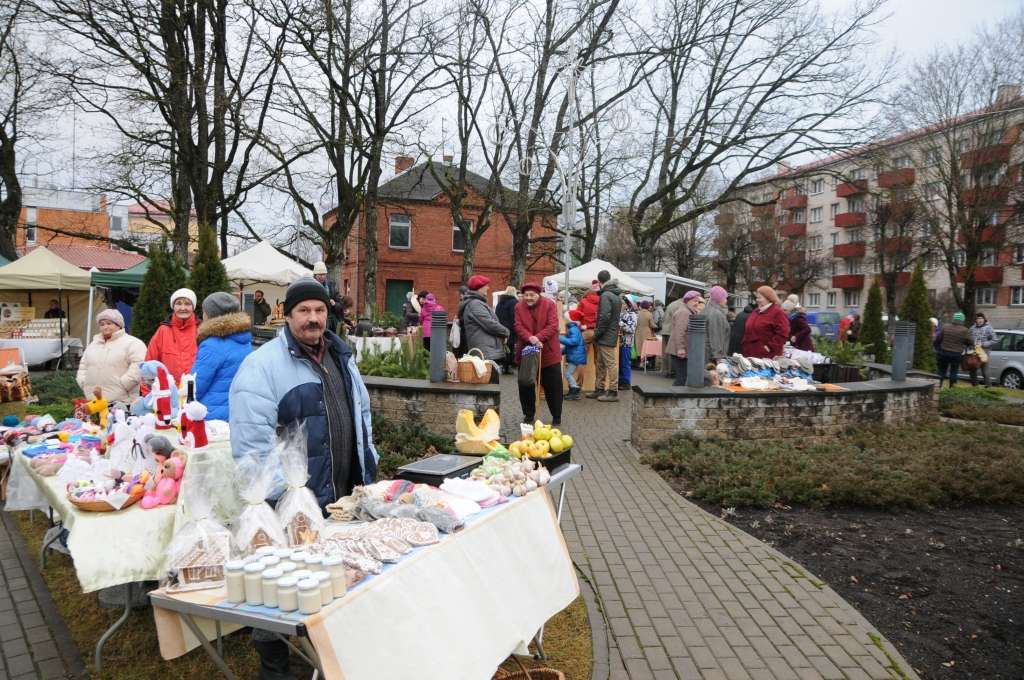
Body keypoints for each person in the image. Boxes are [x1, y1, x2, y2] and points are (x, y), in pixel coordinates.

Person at [230, 277, 379, 679]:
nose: (313, 319)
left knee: (333, 577)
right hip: (291, 503)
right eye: (303, 311)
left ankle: (333, 656)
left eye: (319, 310)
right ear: (287, 315)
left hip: (344, 495)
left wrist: (370, 459)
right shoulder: (261, 367)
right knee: (278, 582)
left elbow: (361, 412)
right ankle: (276, 667)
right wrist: (287, 498)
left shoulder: (341, 355)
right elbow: (251, 445)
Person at [190, 292, 252, 421]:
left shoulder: (212, 345)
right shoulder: (245, 341)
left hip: (210, 414)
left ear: (208, 315)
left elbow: (195, 387)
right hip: (239, 411)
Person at [514, 282, 563, 425]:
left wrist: (538, 338)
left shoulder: (549, 304)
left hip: (548, 352)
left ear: (538, 294)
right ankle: (528, 414)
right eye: (526, 295)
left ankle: (556, 415)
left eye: (532, 295)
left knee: (553, 386)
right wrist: (530, 338)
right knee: (526, 384)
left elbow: (553, 325)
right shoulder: (518, 307)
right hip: (527, 352)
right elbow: (518, 326)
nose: (528, 298)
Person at [76, 309, 147, 404]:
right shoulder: (93, 345)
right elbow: (83, 366)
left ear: (119, 325)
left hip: (122, 401)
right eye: (102, 324)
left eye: (109, 323)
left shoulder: (133, 343)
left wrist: (124, 384)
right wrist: (83, 383)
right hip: (93, 401)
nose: (105, 327)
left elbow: (139, 365)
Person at [458, 275, 509, 384]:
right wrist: (506, 332)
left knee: (491, 387)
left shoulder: (477, 303)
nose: (488, 288)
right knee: (490, 388)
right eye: (486, 286)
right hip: (485, 353)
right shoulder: (475, 304)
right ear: (479, 287)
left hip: (486, 351)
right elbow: (489, 324)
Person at [145, 288, 198, 384]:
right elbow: (150, 363)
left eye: (187, 304)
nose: (183, 308)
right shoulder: (163, 330)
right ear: (173, 306)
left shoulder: (201, 330)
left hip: (196, 390)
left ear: (193, 307)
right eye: (178, 303)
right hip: (168, 391)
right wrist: (147, 392)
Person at [589, 270, 622, 402]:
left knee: (610, 364)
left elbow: (604, 317)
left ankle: (613, 392)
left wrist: (597, 334)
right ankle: (599, 389)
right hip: (609, 333)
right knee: (601, 363)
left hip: (606, 335)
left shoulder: (606, 295)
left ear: (600, 281)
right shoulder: (614, 295)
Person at [741, 286, 790, 359]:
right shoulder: (756, 311)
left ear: (768, 298)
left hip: (767, 356)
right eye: (756, 297)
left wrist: (770, 347)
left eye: (760, 298)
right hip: (749, 353)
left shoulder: (777, 312)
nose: (757, 300)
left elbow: (783, 333)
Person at [666, 291, 702, 386]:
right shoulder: (684, 312)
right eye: (695, 301)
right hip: (679, 351)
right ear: (687, 301)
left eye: (698, 301)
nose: (697, 303)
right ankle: (673, 398)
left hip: (681, 350)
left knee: (682, 378)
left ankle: (674, 397)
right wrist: (680, 348)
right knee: (681, 378)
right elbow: (679, 332)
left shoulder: (688, 311)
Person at [935, 311, 971, 388]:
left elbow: (938, 339)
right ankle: (951, 389)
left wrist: (938, 348)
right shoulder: (964, 330)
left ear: (953, 319)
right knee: (953, 372)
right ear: (962, 320)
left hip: (943, 352)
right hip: (956, 354)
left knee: (941, 372)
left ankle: (938, 388)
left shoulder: (945, 327)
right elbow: (970, 341)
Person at [560, 310, 587, 400]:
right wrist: (561, 352)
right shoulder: (574, 328)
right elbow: (569, 345)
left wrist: (559, 338)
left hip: (576, 357)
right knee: (568, 373)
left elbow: (573, 342)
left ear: (570, 320)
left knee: (567, 374)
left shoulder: (573, 329)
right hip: (575, 355)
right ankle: (572, 391)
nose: (565, 320)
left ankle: (574, 389)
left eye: (566, 318)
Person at [312, 261, 343, 331]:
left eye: (323, 274)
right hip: (316, 319)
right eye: (319, 275)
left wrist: (334, 304)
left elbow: (340, 305)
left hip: (330, 322)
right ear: (315, 275)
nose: (321, 277)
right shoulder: (310, 286)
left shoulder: (331, 286)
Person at [967, 312, 996, 387]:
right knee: (972, 368)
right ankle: (975, 386)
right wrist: (970, 343)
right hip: (974, 350)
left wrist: (984, 344)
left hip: (984, 351)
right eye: (978, 318)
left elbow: (995, 339)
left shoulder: (988, 327)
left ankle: (988, 387)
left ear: (984, 319)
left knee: (984, 370)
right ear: (975, 320)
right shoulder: (972, 328)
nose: (979, 320)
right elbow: (967, 337)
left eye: (981, 318)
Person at [495, 286, 519, 373]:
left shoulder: (500, 302)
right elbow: (514, 317)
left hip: (500, 328)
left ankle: (502, 365)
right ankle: (507, 367)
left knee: (502, 347)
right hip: (510, 329)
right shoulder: (514, 302)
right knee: (510, 348)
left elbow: (496, 314)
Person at [704, 286, 731, 361]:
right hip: (712, 357)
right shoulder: (716, 314)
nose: (726, 301)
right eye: (725, 298)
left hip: (706, 353)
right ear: (719, 299)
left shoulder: (708, 309)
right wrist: (718, 357)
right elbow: (716, 336)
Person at [618, 297, 638, 390]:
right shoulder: (623, 313)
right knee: (620, 363)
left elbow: (631, 329)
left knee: (625, 363)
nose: (621, 305)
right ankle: (620, 382)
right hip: (620, 342)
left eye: (623, 303)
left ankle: (626, 383)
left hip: (627, 343)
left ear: (628, 304)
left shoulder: (632, 315)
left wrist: (621, 324)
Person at [662, 296, 685, 377]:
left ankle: (665, 370)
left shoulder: (672, 304)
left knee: (665, 352)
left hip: (665, 329)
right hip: (670, 330)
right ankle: (671, 372)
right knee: (672, 352)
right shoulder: (680, 305)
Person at [635, 300, 658, 369]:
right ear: (648, 306)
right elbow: (652, 325)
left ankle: (640, 363)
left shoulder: (637, 313)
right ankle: (645, 363)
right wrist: (657, 326)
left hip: (638, 332)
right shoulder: (649, 314)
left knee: (639, 348)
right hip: (647, 332)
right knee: (646, 348)